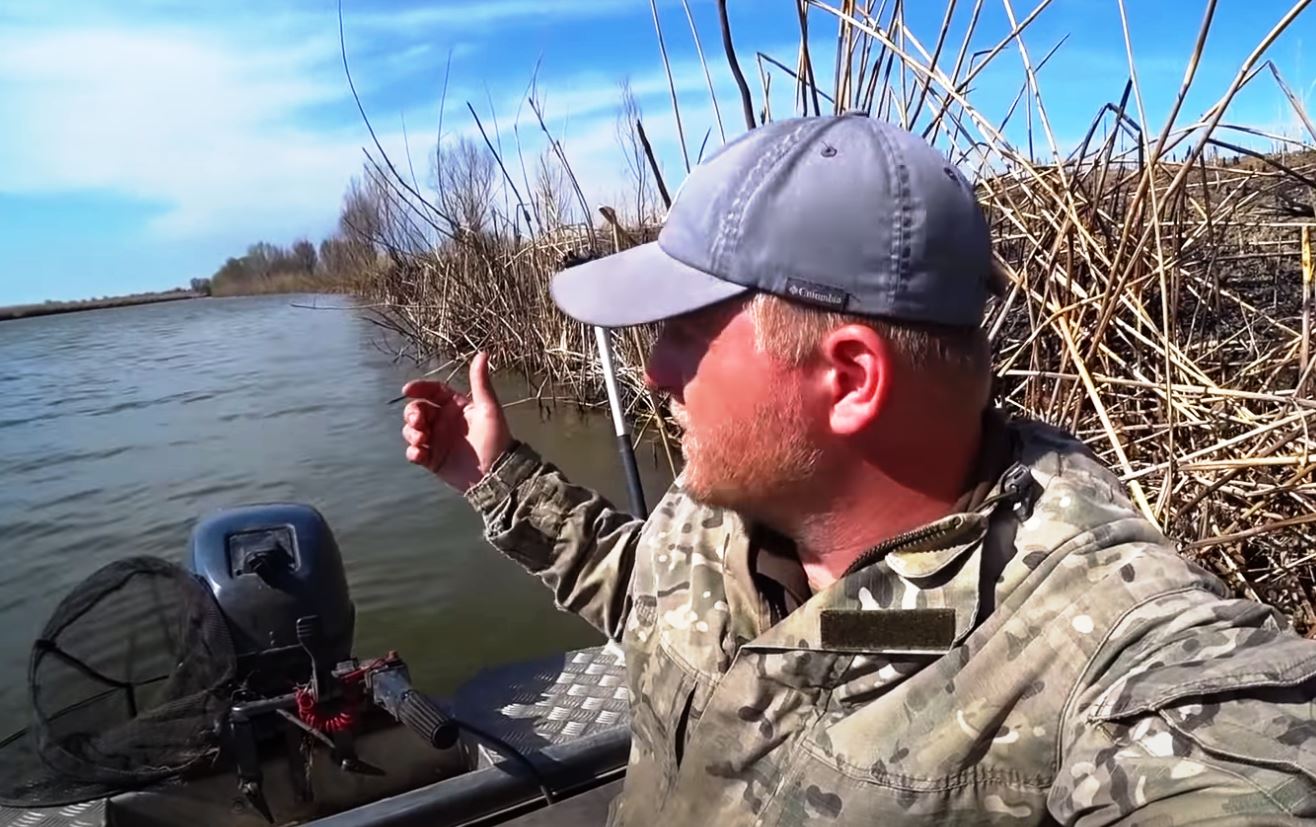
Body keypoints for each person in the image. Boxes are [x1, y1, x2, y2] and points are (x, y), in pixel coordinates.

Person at [400, 112, 1316, 825]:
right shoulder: (732, 493)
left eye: (684, 332)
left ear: (846, 378)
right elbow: (648, 596)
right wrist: (498, 475)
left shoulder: (1104, 646)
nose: (654, 372)